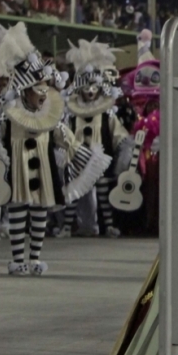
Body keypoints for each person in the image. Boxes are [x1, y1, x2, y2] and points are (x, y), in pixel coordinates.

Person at [0, 16, 110, 276]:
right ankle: (18, 259)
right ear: (25, 90)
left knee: (40, 211)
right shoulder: (10, 112)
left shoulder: (50, 113)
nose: (41, 95)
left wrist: (80, 154)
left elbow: (63, 135)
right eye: (36, 91)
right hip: (18, 170)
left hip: (43, 172)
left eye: (43, 91)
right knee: (18, 210)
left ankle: (36, 258)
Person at [61, 39, 131, 238]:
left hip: (99, 160)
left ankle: (107, 225)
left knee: (101, 190)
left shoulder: (106, 114)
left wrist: (125, 152)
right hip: (78, 159)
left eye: (94, 87)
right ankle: (68, 226)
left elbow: (119, 136)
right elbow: (65, 134)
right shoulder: (73, 114)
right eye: (86, 87)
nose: (90, 91)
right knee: (73, 190)